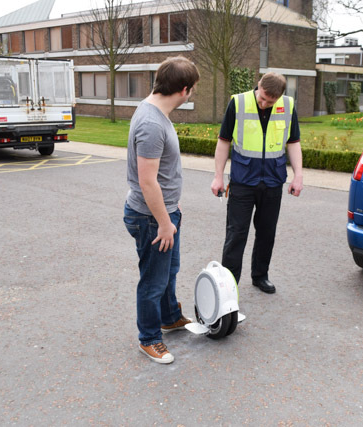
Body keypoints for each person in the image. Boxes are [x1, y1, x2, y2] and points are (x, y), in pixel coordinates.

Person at [123, 56, 200, 364]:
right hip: (152, 218)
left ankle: (170, 318)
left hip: (163, 212)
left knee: (169, 271)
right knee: (153, 281)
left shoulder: (153, 109)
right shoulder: (153, 123)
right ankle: (150, 338)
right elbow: (147, 181)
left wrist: (171, 207)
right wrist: (165, 223)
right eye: (193, 88)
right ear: (184, 90)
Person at [210, 72, 303, 294]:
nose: (264, 104)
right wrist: (218, 175)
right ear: (258, 86)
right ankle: (229, 284)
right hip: (243, 181)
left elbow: (293, 142)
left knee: (266, 232)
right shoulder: (238, 103)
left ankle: (260, 275)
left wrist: (298, 175)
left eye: (270, 102)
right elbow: (224, 141)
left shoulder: (288, 107)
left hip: (272, 181)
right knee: (236, 233)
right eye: (262, 98)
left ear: (279, 97)